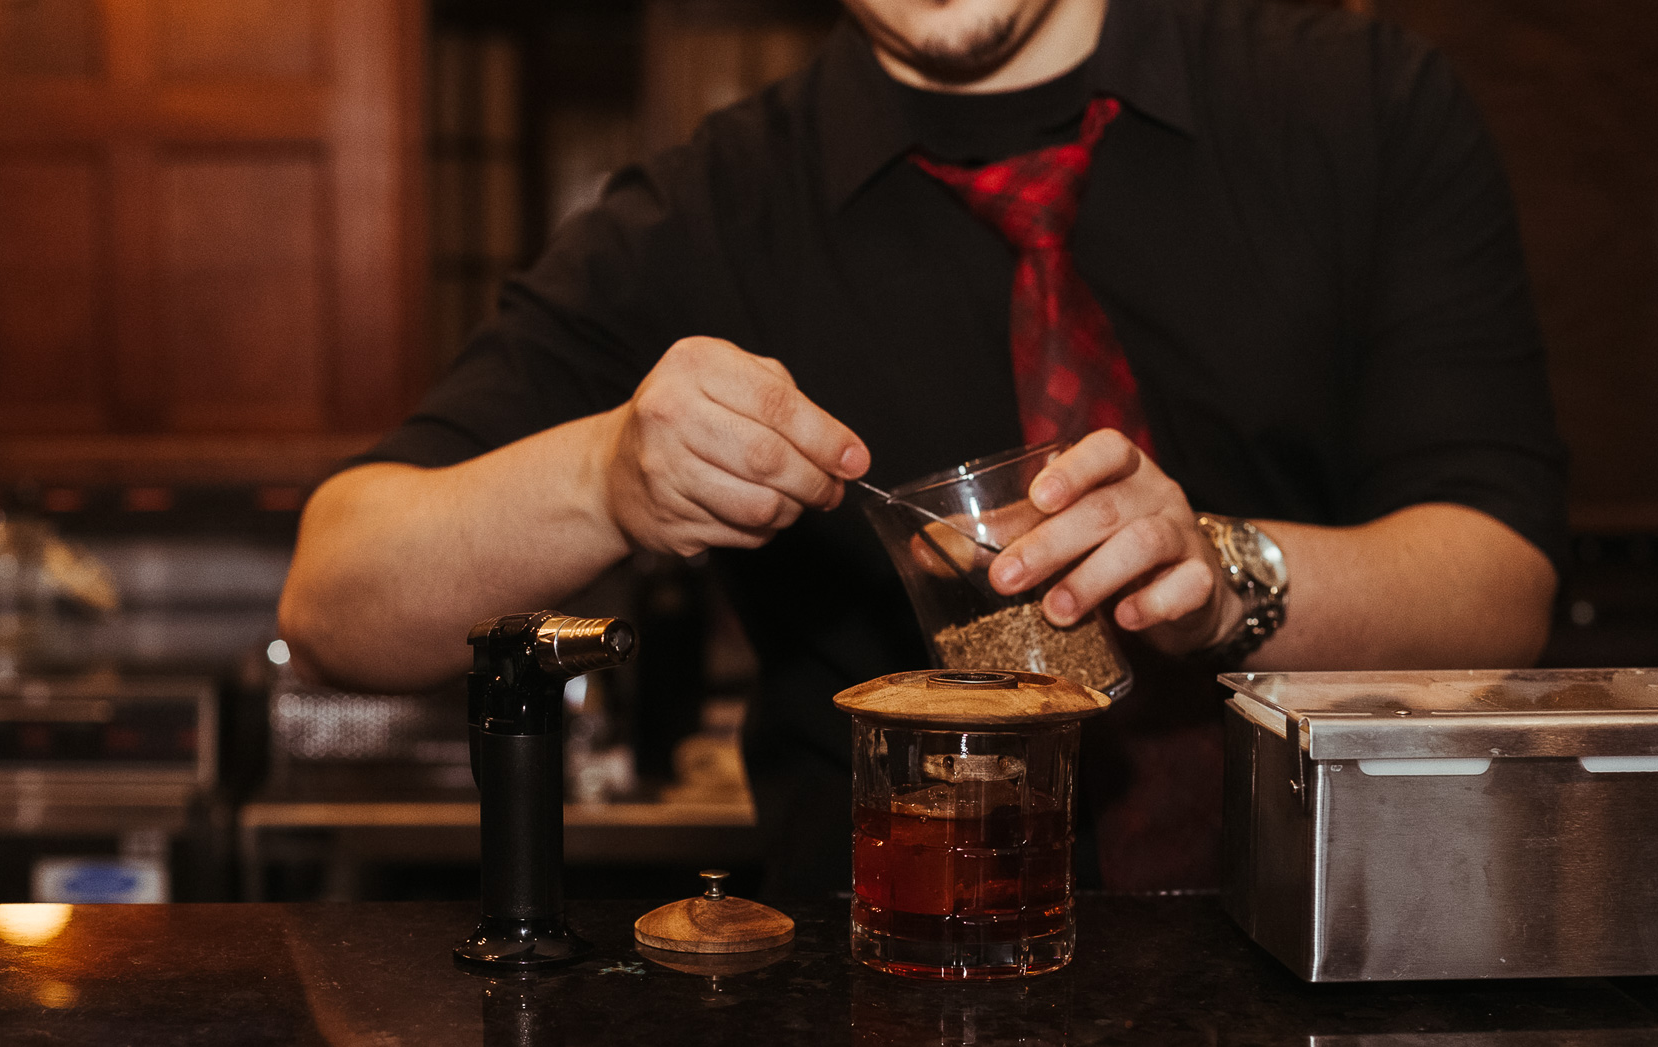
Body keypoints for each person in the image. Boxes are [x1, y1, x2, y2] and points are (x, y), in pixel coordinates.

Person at [279, 0, 1565, 894]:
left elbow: (1499, 589)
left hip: (1349, 944)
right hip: (888, 993)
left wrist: (1219, 579)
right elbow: (339, 599)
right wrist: (603, 476)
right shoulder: (712, 209)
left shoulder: (1361, 108)